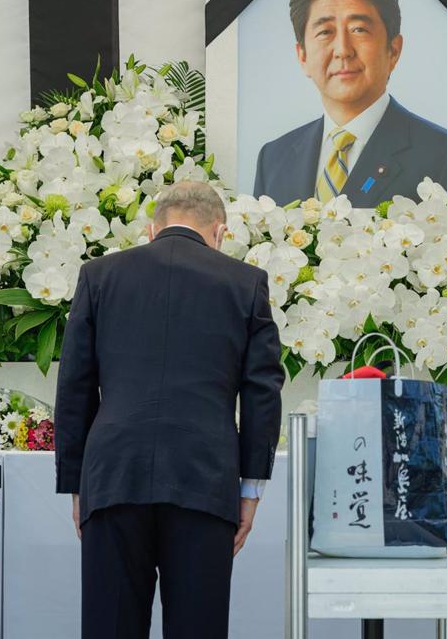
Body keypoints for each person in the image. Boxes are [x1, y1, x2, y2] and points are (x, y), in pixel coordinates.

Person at [54, 180, 284, 639]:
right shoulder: (245, 282)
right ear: (219, 232)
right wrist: (250, 489)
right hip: (204, 477)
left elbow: (74, 384)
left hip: (113, 476)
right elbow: (262, 391)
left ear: (151, 229)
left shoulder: (99, 276)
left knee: (110, 627)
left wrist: (78, 484)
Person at [253, 0, 447, 207]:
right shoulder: (273, 159)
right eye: (325, 32)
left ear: (393, 50)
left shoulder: (445, 154)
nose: (343, 50)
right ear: (302, 56)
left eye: (359, 29)